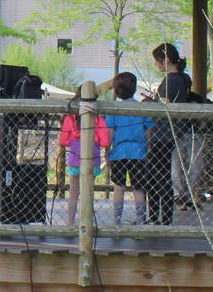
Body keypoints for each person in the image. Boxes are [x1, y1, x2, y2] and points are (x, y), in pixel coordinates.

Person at [147, 43, 195, 224]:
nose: (156, 65)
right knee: (162, 173)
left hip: (162, 133)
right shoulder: (183, 79)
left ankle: (156, 216)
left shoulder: (171, 80)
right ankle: (164, 216)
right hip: (172, 132)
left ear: (166, 60)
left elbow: (164, 104)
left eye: (157, 61)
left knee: (156, 175)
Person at [103, 72, 151, 225]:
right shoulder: (141, 108)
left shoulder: (114, 109)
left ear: (116, 90)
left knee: (119, 186)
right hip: (138, 151)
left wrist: (107, 151)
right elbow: (149, 130)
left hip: (119, 152)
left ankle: (117, 220)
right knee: (139, 188)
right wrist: (148, 148)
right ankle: (141, 220)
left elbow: (110, 132)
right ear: (134, 88)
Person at [58, 96, 110, 223]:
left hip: (75, 158)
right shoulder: (98, 120)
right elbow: (105, 141)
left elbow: (63, 141)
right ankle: (86, 221)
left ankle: (70, 221)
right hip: (93, 159)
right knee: (88, 193)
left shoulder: (70, 119)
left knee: (73, 194)